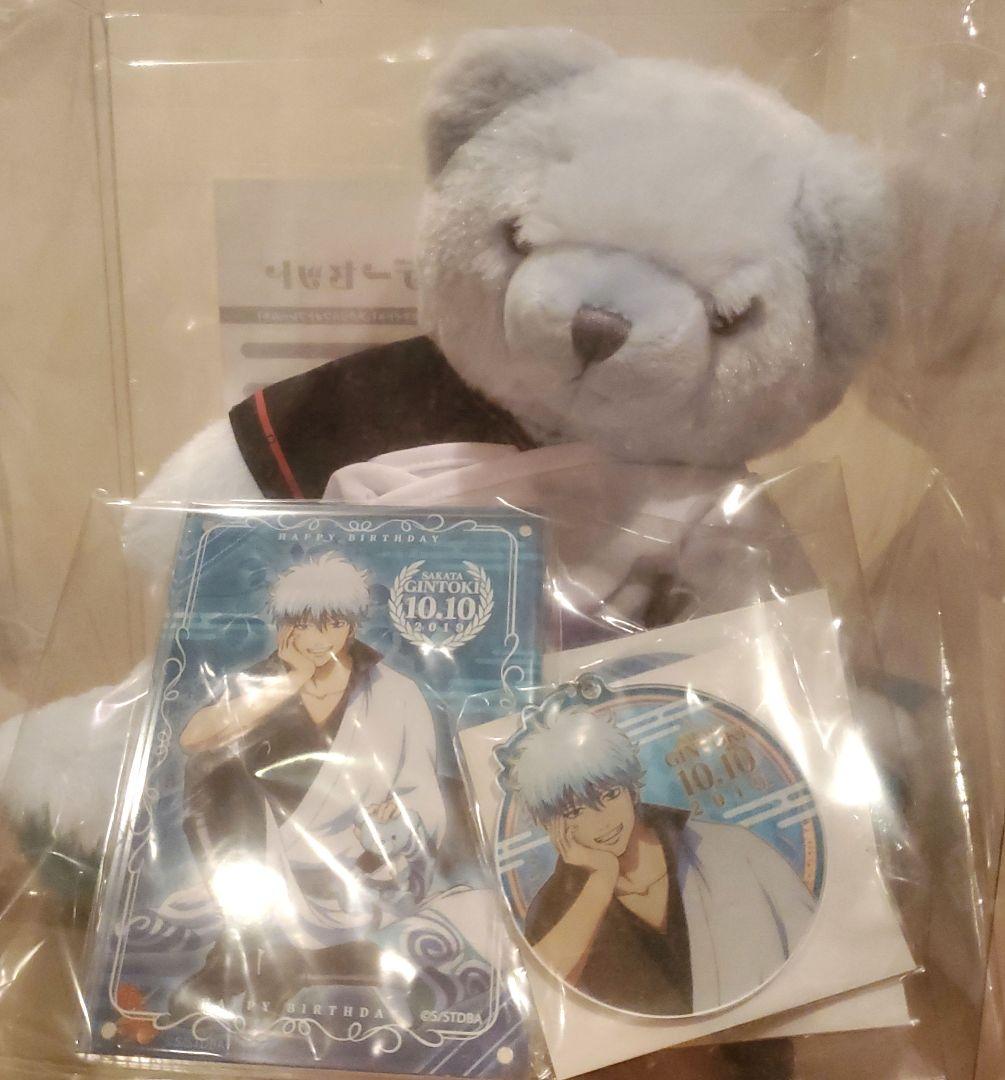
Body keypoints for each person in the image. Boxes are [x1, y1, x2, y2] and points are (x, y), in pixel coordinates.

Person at [169, 552, 445, 1014]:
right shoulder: (262, 683)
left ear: (351, 626)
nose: (317, 640)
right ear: (285, 627)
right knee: (213, 772)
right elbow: (193, 740)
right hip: (255, 861)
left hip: (355, 855)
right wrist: (291, 680)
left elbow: (422, 790)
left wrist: (398, 816)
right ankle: (254, 946)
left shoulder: (396, 693)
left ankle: (274, 958)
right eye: (303, 624)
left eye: (331, 624)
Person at [499, 706, 816, 1016]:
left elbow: (817, 953)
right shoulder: (551, 908)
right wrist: (602, 879)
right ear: (551, 825)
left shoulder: (733, 850)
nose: (602, 821)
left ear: (632, 789)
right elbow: (545, 997)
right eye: (576, 811)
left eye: (610, 795)